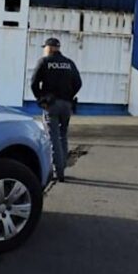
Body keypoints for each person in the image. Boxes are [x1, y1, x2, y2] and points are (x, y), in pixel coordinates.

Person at [31, 38, 82, 181]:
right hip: (66, 104)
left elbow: (34, 83)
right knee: (62, 135)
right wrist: (69, 96)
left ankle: (57, 172)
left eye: (45, 47)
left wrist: (41, 99)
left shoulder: (44, 62)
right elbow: (78, 83)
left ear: (49, 48)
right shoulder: (69, 63)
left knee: (52, 137)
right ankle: (62, 166)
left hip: (51, 105)